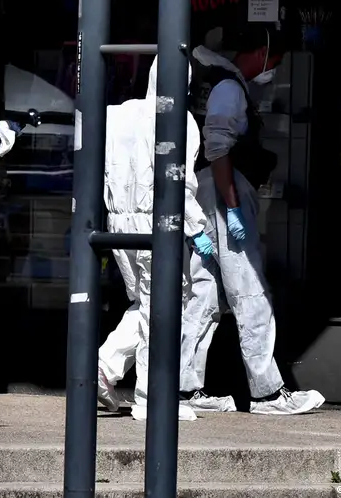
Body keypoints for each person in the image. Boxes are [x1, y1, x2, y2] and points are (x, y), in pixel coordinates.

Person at [179, 26, 324, 415]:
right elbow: (218, 148)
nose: (274, 69)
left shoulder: (218, 82)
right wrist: (231, 207)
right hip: (224, 192)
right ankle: (267, 393)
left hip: (209, 191)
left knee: (205, 293)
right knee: (251, 290)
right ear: (260, 52)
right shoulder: (229, 88)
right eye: (275, 60)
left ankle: (185, 387)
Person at [96, 58, 215, 422]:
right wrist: (197, 228)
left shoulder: (118, 114)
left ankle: (104, 366)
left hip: (119, 223)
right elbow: (177, 180)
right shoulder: (179, 119)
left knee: (146, 302)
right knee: (163, 307)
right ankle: (152, 398)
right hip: (157, 222)